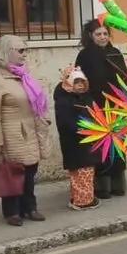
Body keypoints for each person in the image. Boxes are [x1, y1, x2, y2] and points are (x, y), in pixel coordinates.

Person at [0, 34, 49, 226]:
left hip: (30, 131)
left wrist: (44, 122)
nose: (24, 54)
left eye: (26, 50)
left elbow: (36, 101)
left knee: (30, 170)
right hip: (11, 133)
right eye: (20, 50)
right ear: (6, 52)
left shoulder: (23, 74)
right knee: (12, 172)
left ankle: (30, 207)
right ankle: (12, 211)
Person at [75, 19, 127, 200]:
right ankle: (102, 186)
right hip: (96, 108)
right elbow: (80, 82)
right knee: (99, 147)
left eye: (105, 33)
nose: (103, 37)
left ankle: (118, 184)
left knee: (117, 146)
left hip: (117, 107)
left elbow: (125, 79)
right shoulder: (84, 56)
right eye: (98, 34)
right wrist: (87, 103)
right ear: (91, 36)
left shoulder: (115, 53)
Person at [52, 66, 100, 211]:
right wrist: (81, 130)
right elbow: (65, 121)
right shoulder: (64, 100)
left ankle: (77, 198)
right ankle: (83, 201)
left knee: (84, 171)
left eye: (82, 82)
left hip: (86, 140)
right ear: (68, 83)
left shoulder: (85, 97)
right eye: (76, 82)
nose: (80, 86)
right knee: (81, 171)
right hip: (75, 142)